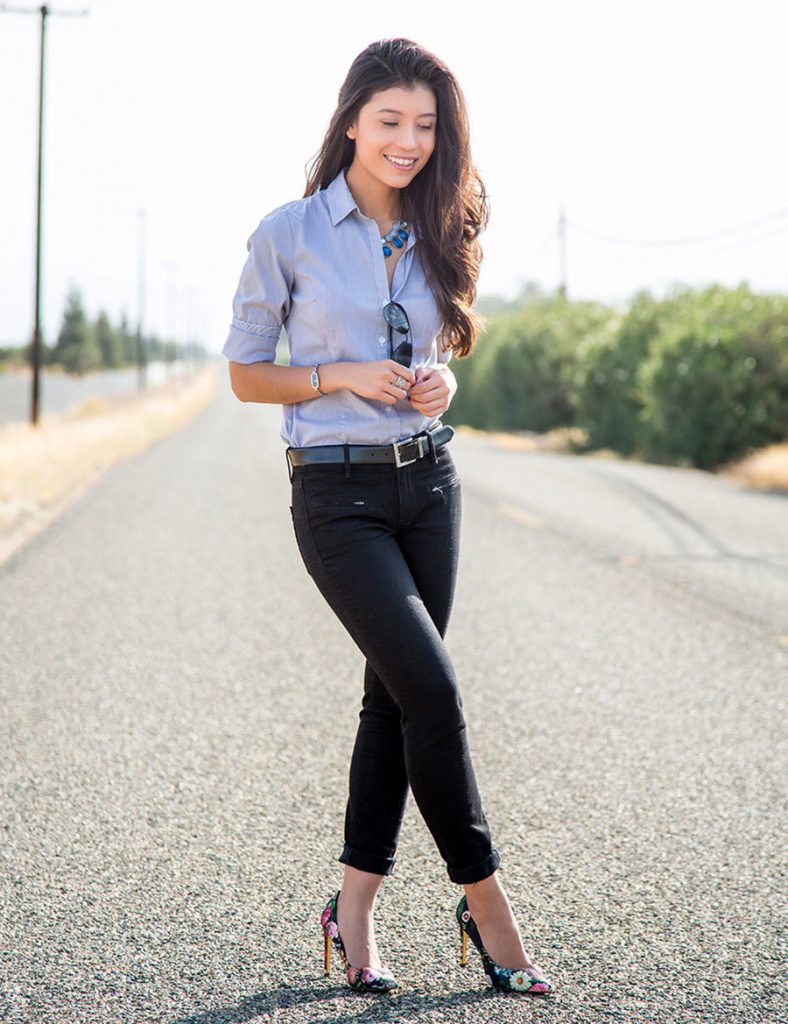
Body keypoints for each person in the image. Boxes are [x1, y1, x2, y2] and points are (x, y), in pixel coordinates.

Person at [222, 37, 552, 997]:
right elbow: (246, 374)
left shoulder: (441, 225)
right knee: (435, 694)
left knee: (395, 699)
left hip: (428, 486)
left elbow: (443, 345)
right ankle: (487, 906)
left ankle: (352, 912)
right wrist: (338, 375)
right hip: (336, 493)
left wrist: (441, 381)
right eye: (391, 121)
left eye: (426, 126)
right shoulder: (289, 232)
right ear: (352, 120)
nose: (408, 142)